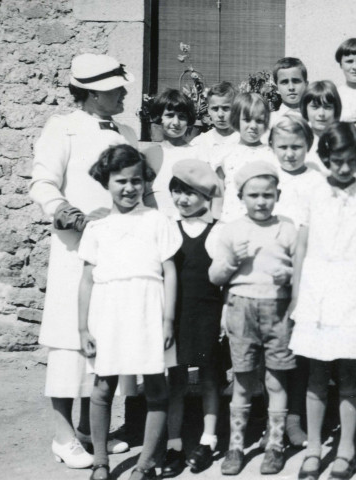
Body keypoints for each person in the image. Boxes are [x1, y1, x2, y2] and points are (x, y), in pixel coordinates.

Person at [29, 53, 134, 470]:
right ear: (92, 93)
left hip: (116, 252)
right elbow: (43, 183)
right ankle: (63, 436)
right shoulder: (63, 128)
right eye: (115, 88)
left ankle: (93, 432)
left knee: (104, 343)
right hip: (76, 252)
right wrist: (73, 216)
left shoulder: (125, 130)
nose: (124, 92)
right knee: (70, 343)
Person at [78, 144, 181, 480]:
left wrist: (167, 320)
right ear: (106, 182)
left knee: (155, 386)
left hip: (148, 309)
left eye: (136, 181)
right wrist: (83, 328)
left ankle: (147, 464)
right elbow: (86, 280)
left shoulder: (157, 221)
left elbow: (170, 271)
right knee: (103, 387)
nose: (129, 188)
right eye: (121, 180)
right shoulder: (97, 227)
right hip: (109, 312)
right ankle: (100, 462)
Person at [288, 123, 356, 480]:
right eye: (337, 161)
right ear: (326, 158)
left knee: (347, 375)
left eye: (351, 161)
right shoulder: (312, 192)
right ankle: (314, 448)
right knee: (315, 374)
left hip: (354, 288)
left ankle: (346, 449)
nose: (344, 168)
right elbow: (300, 247)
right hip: (317, 289)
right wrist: (298, 294)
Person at [208, 161, 298, 475]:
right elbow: (215, 275)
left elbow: (300, 272)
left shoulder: (287, 227)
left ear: (278, 195)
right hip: (241, 307)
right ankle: (235, 446)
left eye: (267, 195)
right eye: (254, 195)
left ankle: (275, 444)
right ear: (240, 196)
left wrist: (287, 274)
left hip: (277, 308)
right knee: (243, 381)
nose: (261, 201)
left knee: (276, 379)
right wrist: (233, 259)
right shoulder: (232, 230)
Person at [160, 160, 224, 476]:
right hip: (177, 317)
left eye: (191, 193)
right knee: (177, 381)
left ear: (205, 196)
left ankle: (208, 439)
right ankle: (173, 444)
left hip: (207, 316)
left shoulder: (217, 230)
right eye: (178, 192)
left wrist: (224, 315)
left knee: (208, 377)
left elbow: (225, 278)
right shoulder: (168, 229)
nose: (183, 199)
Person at [269, 113, 326, 447]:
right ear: (272, 146)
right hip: (271, 270)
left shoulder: (316, 179)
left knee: (300, 347)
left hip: (306, 269)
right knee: (274, 350)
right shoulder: (268, 175)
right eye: (283, 147)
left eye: (296, 147)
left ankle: (295, 420)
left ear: (308, 146)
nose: (289, 153)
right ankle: (272, 420)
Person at [208, 92, 277, 222]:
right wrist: (215, 222)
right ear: (236, 120)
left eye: (259, 121)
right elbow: (218, 194)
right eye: (247, 119)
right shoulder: (225, 154)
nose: (253, 126)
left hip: (261, 223)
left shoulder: (271, 155)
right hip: (230, 221)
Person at [142, 88, 201, 218]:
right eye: (169, 115)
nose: (176, 123)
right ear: (159, 118)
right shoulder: (148, 155)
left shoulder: (197, 154)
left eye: (182, 117)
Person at [299, 80, 342, 175]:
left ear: (336, 110)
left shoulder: (342, 139)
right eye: (315, 107)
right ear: (305, 110)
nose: (321, 114)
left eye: (327, 107)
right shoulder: (299, 140)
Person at [191, 81, 240, 148]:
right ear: (208, 110)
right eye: (215, 109)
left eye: (226, 108)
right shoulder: (199, 142)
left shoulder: (243, 140)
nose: (220, 114)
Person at [269, 57, 308, 127]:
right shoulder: (269, 121)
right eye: (284, 82)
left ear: (306, 85)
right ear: (276, 89)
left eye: (296, 81)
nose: (291, 87)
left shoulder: (313, 121)